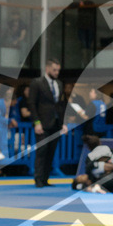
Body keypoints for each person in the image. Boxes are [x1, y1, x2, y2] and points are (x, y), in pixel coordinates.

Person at [29, 59, 67, 188]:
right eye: (54, 70)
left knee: (51, 151)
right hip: (42, 123)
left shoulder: (59, 84)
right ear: (47, 68)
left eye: (58, 70)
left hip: (56, 123)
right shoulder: (37, 83)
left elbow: (61, 105)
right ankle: (38, 179)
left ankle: (45, 179)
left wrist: (63, 123)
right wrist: (36, 122)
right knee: (42, 151)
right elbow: (32, 104)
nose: (57, 73)